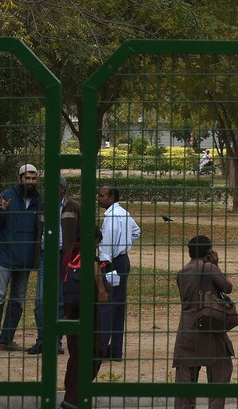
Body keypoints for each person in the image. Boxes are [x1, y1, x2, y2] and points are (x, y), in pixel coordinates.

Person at [0, 164, 41, 355]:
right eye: (28, 178)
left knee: (17, 301)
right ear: (20, 179)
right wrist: (2, 210)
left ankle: (6, 340)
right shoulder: (7, 195)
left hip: (24, 260)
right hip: (5, 257)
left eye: (34, 178)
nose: (31, 182)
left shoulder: (39, 201)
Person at [173, 235, 234, 409]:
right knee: (221, 368)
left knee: (186, 378)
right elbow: (227, 287)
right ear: (208, 252)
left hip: (187, 330)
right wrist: (215, 264)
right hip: (209, 325)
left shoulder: (182, 272)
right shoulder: (208, 268)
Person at [29, 175, 81, 355]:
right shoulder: (43, 206)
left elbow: (82, 234)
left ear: (63, 188)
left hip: (64, 258)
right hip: (45, 256)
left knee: (60, 301)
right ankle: (42, 340)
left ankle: (56, 341)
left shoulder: (73, 207)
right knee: (41, 300)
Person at [61, 228, 109, 409]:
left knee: (75, 354)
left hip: (70, 310)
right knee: (93, 352)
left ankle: (70, 395)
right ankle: (75, 397)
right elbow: (103, 296)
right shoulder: (91, 260)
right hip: (88, 313)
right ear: (95, 241)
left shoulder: (68, 256)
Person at [97, 184, 141, 361]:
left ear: (112, 198)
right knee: (118, 306)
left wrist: (105, 262)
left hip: (111, 263)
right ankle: (115, 350)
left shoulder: (111, 218)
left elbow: (106, 246)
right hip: (122, 261)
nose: (99, 198)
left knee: (107, 306)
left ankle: (101, 347)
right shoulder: (124, 213)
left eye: (102, 196)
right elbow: (136, 231)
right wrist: (125, 245)